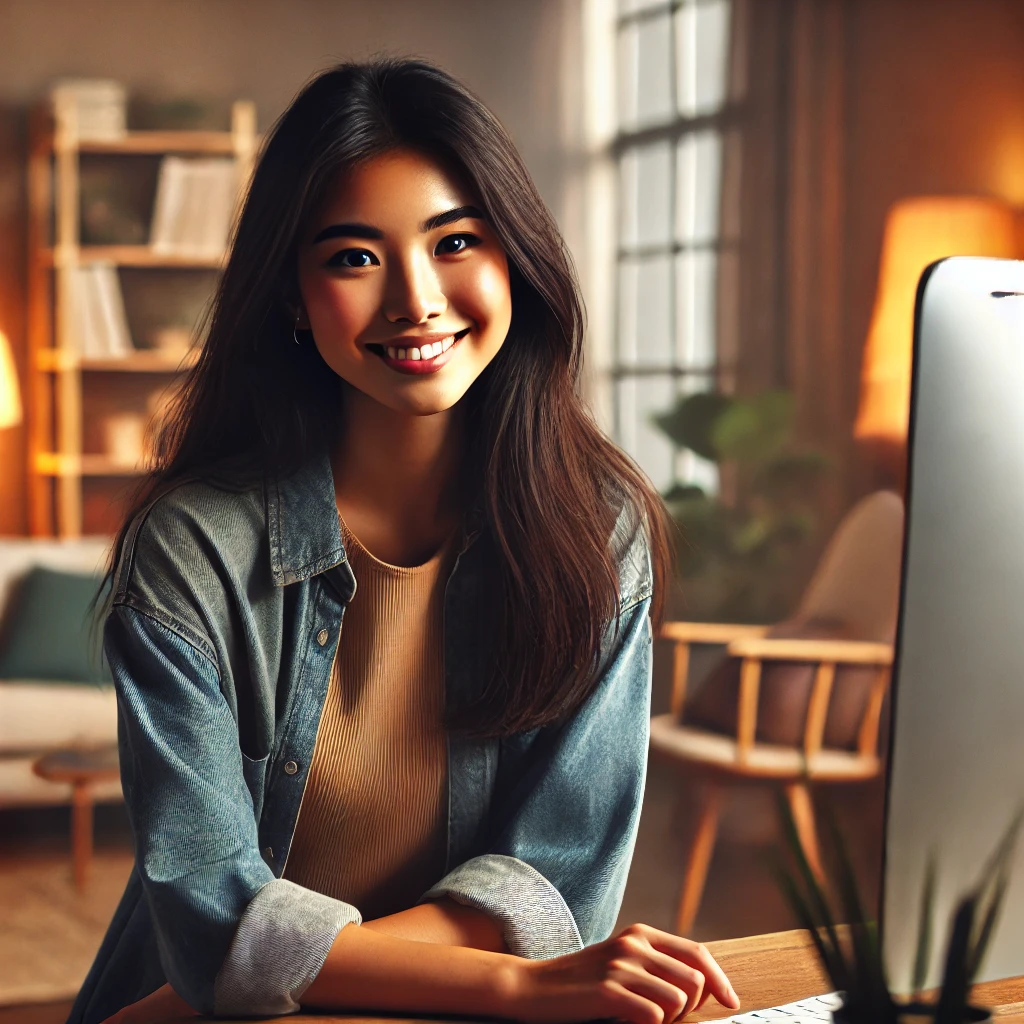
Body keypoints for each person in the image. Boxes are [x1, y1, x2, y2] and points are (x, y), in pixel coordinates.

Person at [68, 57, 741, 1024]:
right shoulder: (191, 551)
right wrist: (513, 980)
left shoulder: (598, 531)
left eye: (456, 241)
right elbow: (209, 912)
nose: (415, 300)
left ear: (516, 257)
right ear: (293, 298)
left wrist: (240, 978)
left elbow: (560, 877)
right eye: (354, 257)